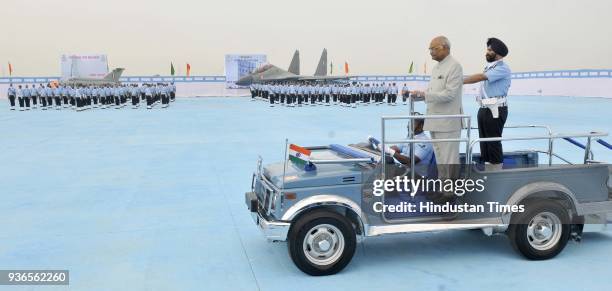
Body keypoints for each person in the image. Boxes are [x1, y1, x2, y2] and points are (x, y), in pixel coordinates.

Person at [406, 36, 463, 184]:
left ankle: (450, 192)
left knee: (449, 159)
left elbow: (450, 94)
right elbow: (434, 93)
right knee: (440, 158)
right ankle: (443, 188)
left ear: (445, 48)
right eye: (430, 49)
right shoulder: (436, 68)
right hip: (435, 121)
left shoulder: (454, 66)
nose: (431, 52)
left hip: (448, 122)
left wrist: (426, 95)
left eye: (433, 49)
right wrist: (419, 95)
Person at [464, 38, 511, 171]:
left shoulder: (503, 68)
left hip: (496, 109)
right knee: (484, 144)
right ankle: (488, 171)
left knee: (493, 143)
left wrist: (460, 81)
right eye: (487, 49)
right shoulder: (489, 67)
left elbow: (481, 77)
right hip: (484, 108)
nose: (487, 52)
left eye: (490, 50)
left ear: (498, 53)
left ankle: (495, 175)